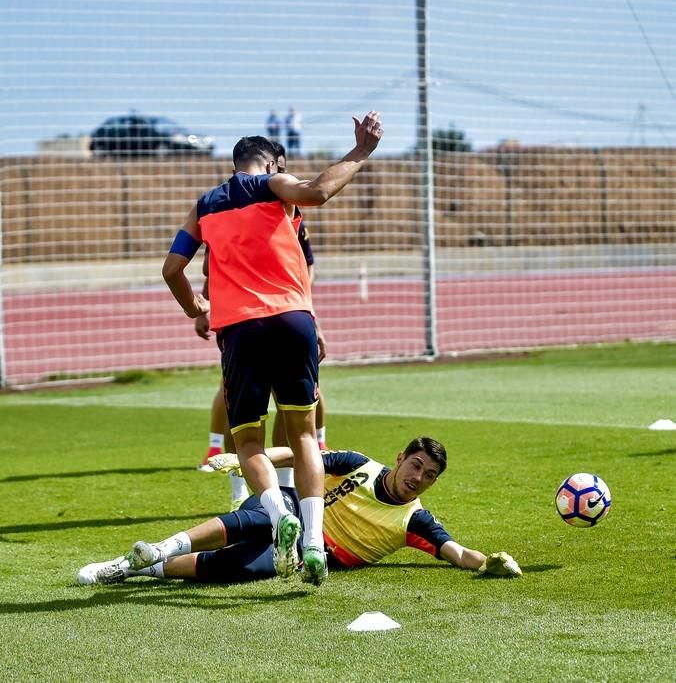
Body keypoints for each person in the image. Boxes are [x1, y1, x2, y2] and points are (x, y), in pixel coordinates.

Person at [161, 111, 383, 585]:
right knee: (304, 436)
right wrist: (362, 151)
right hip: (292, 321)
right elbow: (318, 191)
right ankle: (314, 543)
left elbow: (171, 269)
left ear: (234, 164)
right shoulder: (274, 185)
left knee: (250, 443)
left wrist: (194, 308)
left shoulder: (204, 207)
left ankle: (276, 512)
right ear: (268, 163)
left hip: (240, 330)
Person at [77, 436, 522, 586]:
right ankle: (159, 548)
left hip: (322, 554)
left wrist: (490, 562)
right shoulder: (358, 465)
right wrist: (247, 459)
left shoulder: (414, 521)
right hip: (296, 510)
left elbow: (456, 553)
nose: (417, 478)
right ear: (400, 457)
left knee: (238, 568)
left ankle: (134, 569)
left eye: (428, 476)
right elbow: (299, 455)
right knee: (257, 519)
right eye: (416, 466)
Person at [195, 143, 331, 507]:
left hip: (281, 316)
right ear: (270, 166)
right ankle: (240, 489)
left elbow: (303, 267)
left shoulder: (290, 212)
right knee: (239, 406)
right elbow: (214, 264)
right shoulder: (235, 206)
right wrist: (206, 305)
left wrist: (311, 316)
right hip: (247, 318)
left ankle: (283, 487)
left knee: (293, 410)